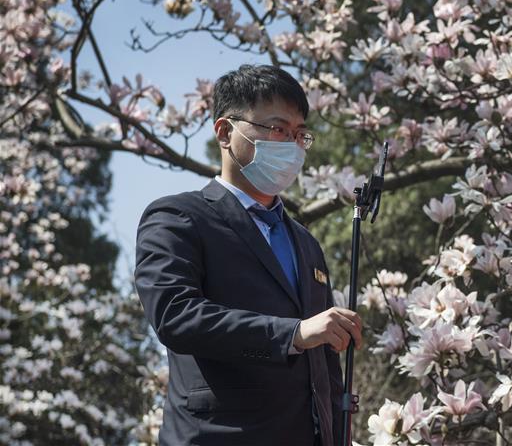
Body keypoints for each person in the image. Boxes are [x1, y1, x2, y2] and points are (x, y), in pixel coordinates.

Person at [134, 64, 362, 446]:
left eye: (299, 134)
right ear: (225, 132)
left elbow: (325, 363)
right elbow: (176, 315)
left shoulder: (306, 242)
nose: (291, 145)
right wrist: (293, 333)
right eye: (277, 129)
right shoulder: (178, 217)